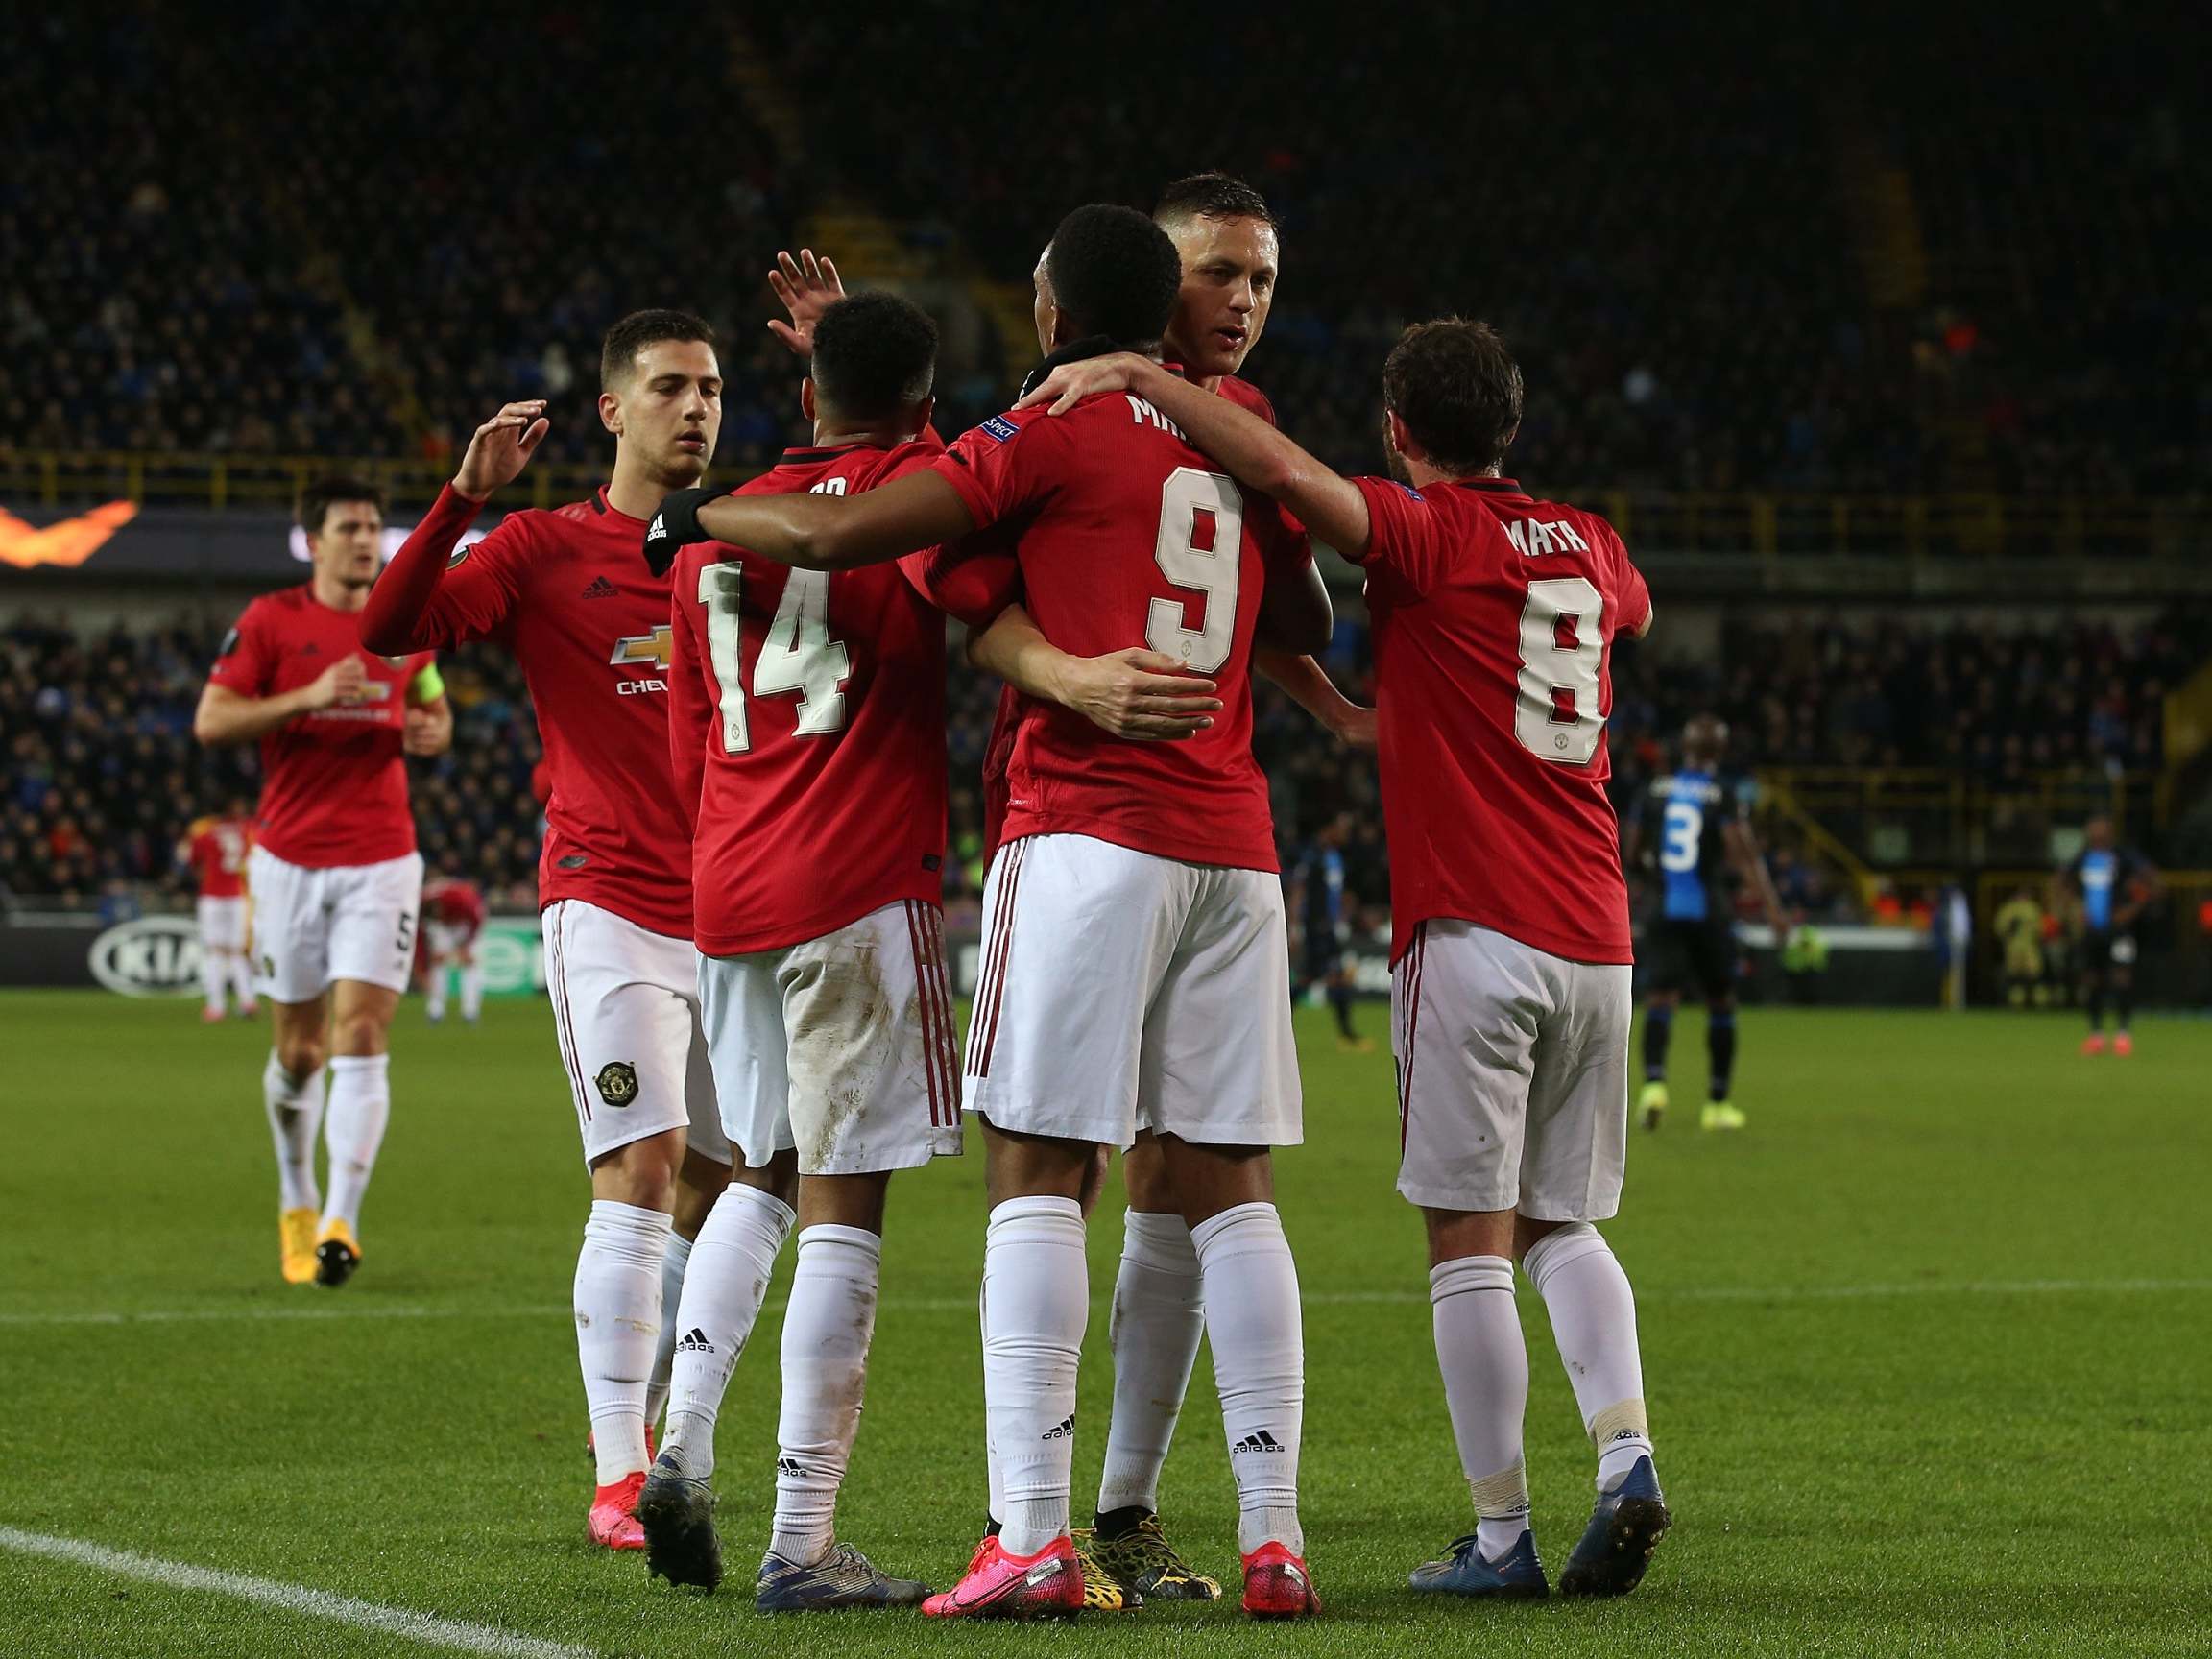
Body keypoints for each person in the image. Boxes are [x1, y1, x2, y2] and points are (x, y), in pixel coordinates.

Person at [646, 204, 1332, 1622]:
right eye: (1227, 277)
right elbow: (1306, 617)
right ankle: (1275, 1537)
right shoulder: (1250, 427)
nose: (1246, 302)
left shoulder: (1045, 431)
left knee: (1034, 1170)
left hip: (1077, 833)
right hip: (1235, 846)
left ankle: (1029, 1532)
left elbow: (869, 521)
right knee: (1230, 1188)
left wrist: (689, 508)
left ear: (1052, 309)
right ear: (1167, 302)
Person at [1016, 314, 1670, 1599]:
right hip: (1601, 939)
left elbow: (1282, 476)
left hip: (1477, 929)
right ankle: (1628, 1456)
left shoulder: (1422, 532)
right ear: (1516, 427)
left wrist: (1148, 376)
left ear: (1396, 431)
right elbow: (1624, 620)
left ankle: (1499, 1539)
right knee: (1565, 1226)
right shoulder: (1597, 544)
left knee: (1468, 1242)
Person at [358, 311, 742, 1552]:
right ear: (613, 411)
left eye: (716, 390)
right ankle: (623, 1473)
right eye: (672, 388)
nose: (698, 410)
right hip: (609, 901)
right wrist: (457, 499)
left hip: (739, 912)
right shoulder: (537, 546)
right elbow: (391, 632)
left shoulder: (741, 547)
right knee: (637, 1170)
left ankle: (638, 1407)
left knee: (726, 1183)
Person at [639, 291, 964, 1610]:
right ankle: (800, 1542)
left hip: (732, 883)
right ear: (925, 397)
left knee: (755, 1176)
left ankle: (677, 1445)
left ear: (808, 392)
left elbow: (681, 743)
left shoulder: (703, 537)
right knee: (847, 1203)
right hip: (860, 880)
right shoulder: (930, 495)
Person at [194, 477, 453, 1288]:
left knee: (363, 1037)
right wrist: (306, 696)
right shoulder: (272, 621)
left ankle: (342, 1219)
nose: (367, 540)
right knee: (300, 1053)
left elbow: (436, 711)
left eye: (375, 526)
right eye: (350, 527)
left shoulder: (406, 625)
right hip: (292, 864)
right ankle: (297, 1193)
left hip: (381, 858)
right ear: (315, 539)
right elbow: (211, 720)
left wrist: (431, 729)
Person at [1621, 715, 1787, 1131]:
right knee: (1721, 1001)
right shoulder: (1721, 795)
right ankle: (1717, 1104)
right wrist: (1773, 909)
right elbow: (1743, 853)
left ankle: (1654, 1086)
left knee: (1660, 999)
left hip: (1661, 906)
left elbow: (1628, 849)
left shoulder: (1654, 790)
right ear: (1721, 752)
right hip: (1708, 908)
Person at [2056, 815, 2160, 1055]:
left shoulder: (2123, 857)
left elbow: (2152, 880)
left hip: (2119, 931)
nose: (2095, 834)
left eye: (2099, 830)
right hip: (2093, 931)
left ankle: (2123, 1034)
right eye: (2091, 830)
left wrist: (2131, 909)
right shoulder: (2083, 859)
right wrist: (2073, 908)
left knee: (2121, 979)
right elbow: (2063, 881)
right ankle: (2096, 1035)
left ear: (2109, 832)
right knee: (2092, 980)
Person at [1290, 811, 1371, 1050]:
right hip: (1317, 929)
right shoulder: (1313, 856)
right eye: (1341, 828)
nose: (1346, 833)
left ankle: (1345, 1035)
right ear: (1327, 830)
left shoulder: (1335, 857)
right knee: (1321, 978)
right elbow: (1299, 889)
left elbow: (1334, 893)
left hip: (1329, 929)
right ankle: (1346, 1035)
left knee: (1322, 978)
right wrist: (1295, 927)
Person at [180, 797, 256, 1022]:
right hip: (237, 895)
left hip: (212, 896)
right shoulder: (245, 831)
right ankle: (247, 1000)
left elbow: (192, 861)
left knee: (215, 951)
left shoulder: (204, 833)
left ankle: (216, 1006)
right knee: (238, 951)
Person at [419, 867, 487, 1024]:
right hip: (443, 927)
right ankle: (435, 1010)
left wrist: (466, 946)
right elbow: (419, 942)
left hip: (465, 922)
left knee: (469, 963)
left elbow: (476, 919)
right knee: (437, 962)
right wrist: (423, 970)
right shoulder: (421, 905)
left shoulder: (461, 898)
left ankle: (470, 1011)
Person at [1992, 886, 2046, 1008]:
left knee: (2033, 975)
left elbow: (2040, 929)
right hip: (2014, 947)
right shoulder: (2009, 909)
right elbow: (2000, 928)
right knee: (2015, 976)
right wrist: (2009, 930)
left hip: (2029, 947)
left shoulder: (2032, 908)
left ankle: (2036, 1002)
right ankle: (2016, 1003)